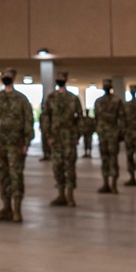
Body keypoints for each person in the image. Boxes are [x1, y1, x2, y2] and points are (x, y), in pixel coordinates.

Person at [0, 67, 35, 223]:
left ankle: (17, 210)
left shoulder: (21, 99)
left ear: (14, 78)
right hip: (0, 143)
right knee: (3, 175)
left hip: (16, 144)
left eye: (8, 76)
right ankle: (6, 207)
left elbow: (28, 120)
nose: (6, 78)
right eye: (4, 75)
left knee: (16, 176)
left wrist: (26, 141)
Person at [40, 71, 84, 207]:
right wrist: (48, 135)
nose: (60, 80)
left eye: (62, 78)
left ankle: (70, 195)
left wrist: (77, 135)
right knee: (57, 166)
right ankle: (61, 194)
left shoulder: (73, 98)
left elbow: (80, 118)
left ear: (66, 79)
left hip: (69, 138)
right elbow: (46, 117)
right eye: (58, 78)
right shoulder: (51, 98)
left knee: (70, 166)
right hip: (56, 138)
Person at [94, 78, 125, 194]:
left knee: (112, 159)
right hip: (105, 134)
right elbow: (96, 118)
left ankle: (113, 184)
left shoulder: (116, 101)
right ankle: (106, 184)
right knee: (105, 159)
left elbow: (121, 118)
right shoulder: (99, 101)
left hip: (112, 133)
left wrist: (121, 133)